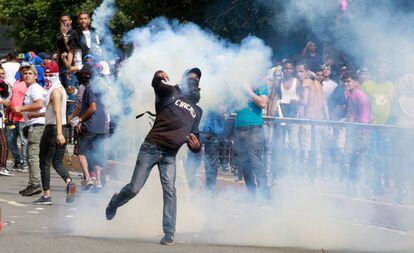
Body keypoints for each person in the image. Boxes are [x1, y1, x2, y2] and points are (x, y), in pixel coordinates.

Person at [105, 68, 203, 246]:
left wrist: (197, 147)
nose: (194, 81)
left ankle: (169, 232)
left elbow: (194, 139)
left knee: (170, 190)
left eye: (197, 79)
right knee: (134, 188)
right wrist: (157, 74)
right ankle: (114, 202)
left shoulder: (197, 111)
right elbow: (156, 84)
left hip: (170, 155)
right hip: (151, 147)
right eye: (191, 78)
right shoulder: (171, 91)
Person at [33, 61, 76, 205]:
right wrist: (35, 116)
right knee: (57, 162)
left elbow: (57, 113)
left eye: (50, 74)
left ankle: (46, 195)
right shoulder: (60, 89)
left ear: (56, 75)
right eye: (45, 74)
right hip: (60, 127)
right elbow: (53, 111)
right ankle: (69, 182)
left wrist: (58, 134)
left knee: (44, 161)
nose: (47, 77)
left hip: (53, 130)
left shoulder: (55, 91)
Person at [233, 76, 270, 199]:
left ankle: (265, 194)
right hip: (239, 127)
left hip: (254, 128)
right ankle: (251, 194)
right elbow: (231, 105)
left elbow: (262, 103)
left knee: (256, 161)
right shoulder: (237, 86)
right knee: (244, 163)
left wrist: (247, 90)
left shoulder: (260, 84)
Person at [13, 64, 46, 197]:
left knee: (33, 156)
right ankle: (33, 183)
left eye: (30, 73)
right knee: (30, 155)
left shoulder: (35, 89)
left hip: (37, 125)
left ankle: (36, 184)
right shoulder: (30, 88)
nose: (26, 75)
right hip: (33, 124)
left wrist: (21, 109)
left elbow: (39, 104)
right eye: (25, 73)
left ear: (36, 76)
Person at [75, 64, 108, 190]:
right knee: (97, 153)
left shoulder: (89, 88)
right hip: (102, 126)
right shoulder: (104, 88)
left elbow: (92, 107)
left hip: (90, 126)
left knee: (81, 152)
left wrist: (80, 120)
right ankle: (98, 182)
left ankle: (88, 178)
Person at [342, 71, 373, 196]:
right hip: (365, 130)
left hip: (358, 131)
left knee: (350, 159)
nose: (346, 83)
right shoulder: (361, 93)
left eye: (348, 81)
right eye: (344, 81)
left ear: (355, 82)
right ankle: (360, 188)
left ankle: (355, 190)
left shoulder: (354, 95)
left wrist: (344, 124)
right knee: (360, 159)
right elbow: (371, 116)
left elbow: (350, 117)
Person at [6, 65, 29, 172]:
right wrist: (8, 112)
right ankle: (17, 160)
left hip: (24, 118)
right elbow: (12, 98)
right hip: (13, 117)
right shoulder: (16, 83)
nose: (24, 74)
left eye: (27, 72)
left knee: (24, 141)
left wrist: (23, 110)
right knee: (11, 140)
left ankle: (24, 162)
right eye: (23, 72)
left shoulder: (30, 85)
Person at [0, 68, 12, 176]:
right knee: (4, 144)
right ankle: (2, 166)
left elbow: (8, 100)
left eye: (3, 73)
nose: (2, 75)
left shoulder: (5, 86)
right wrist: (3, 101)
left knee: (3, 143)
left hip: (1, 117)